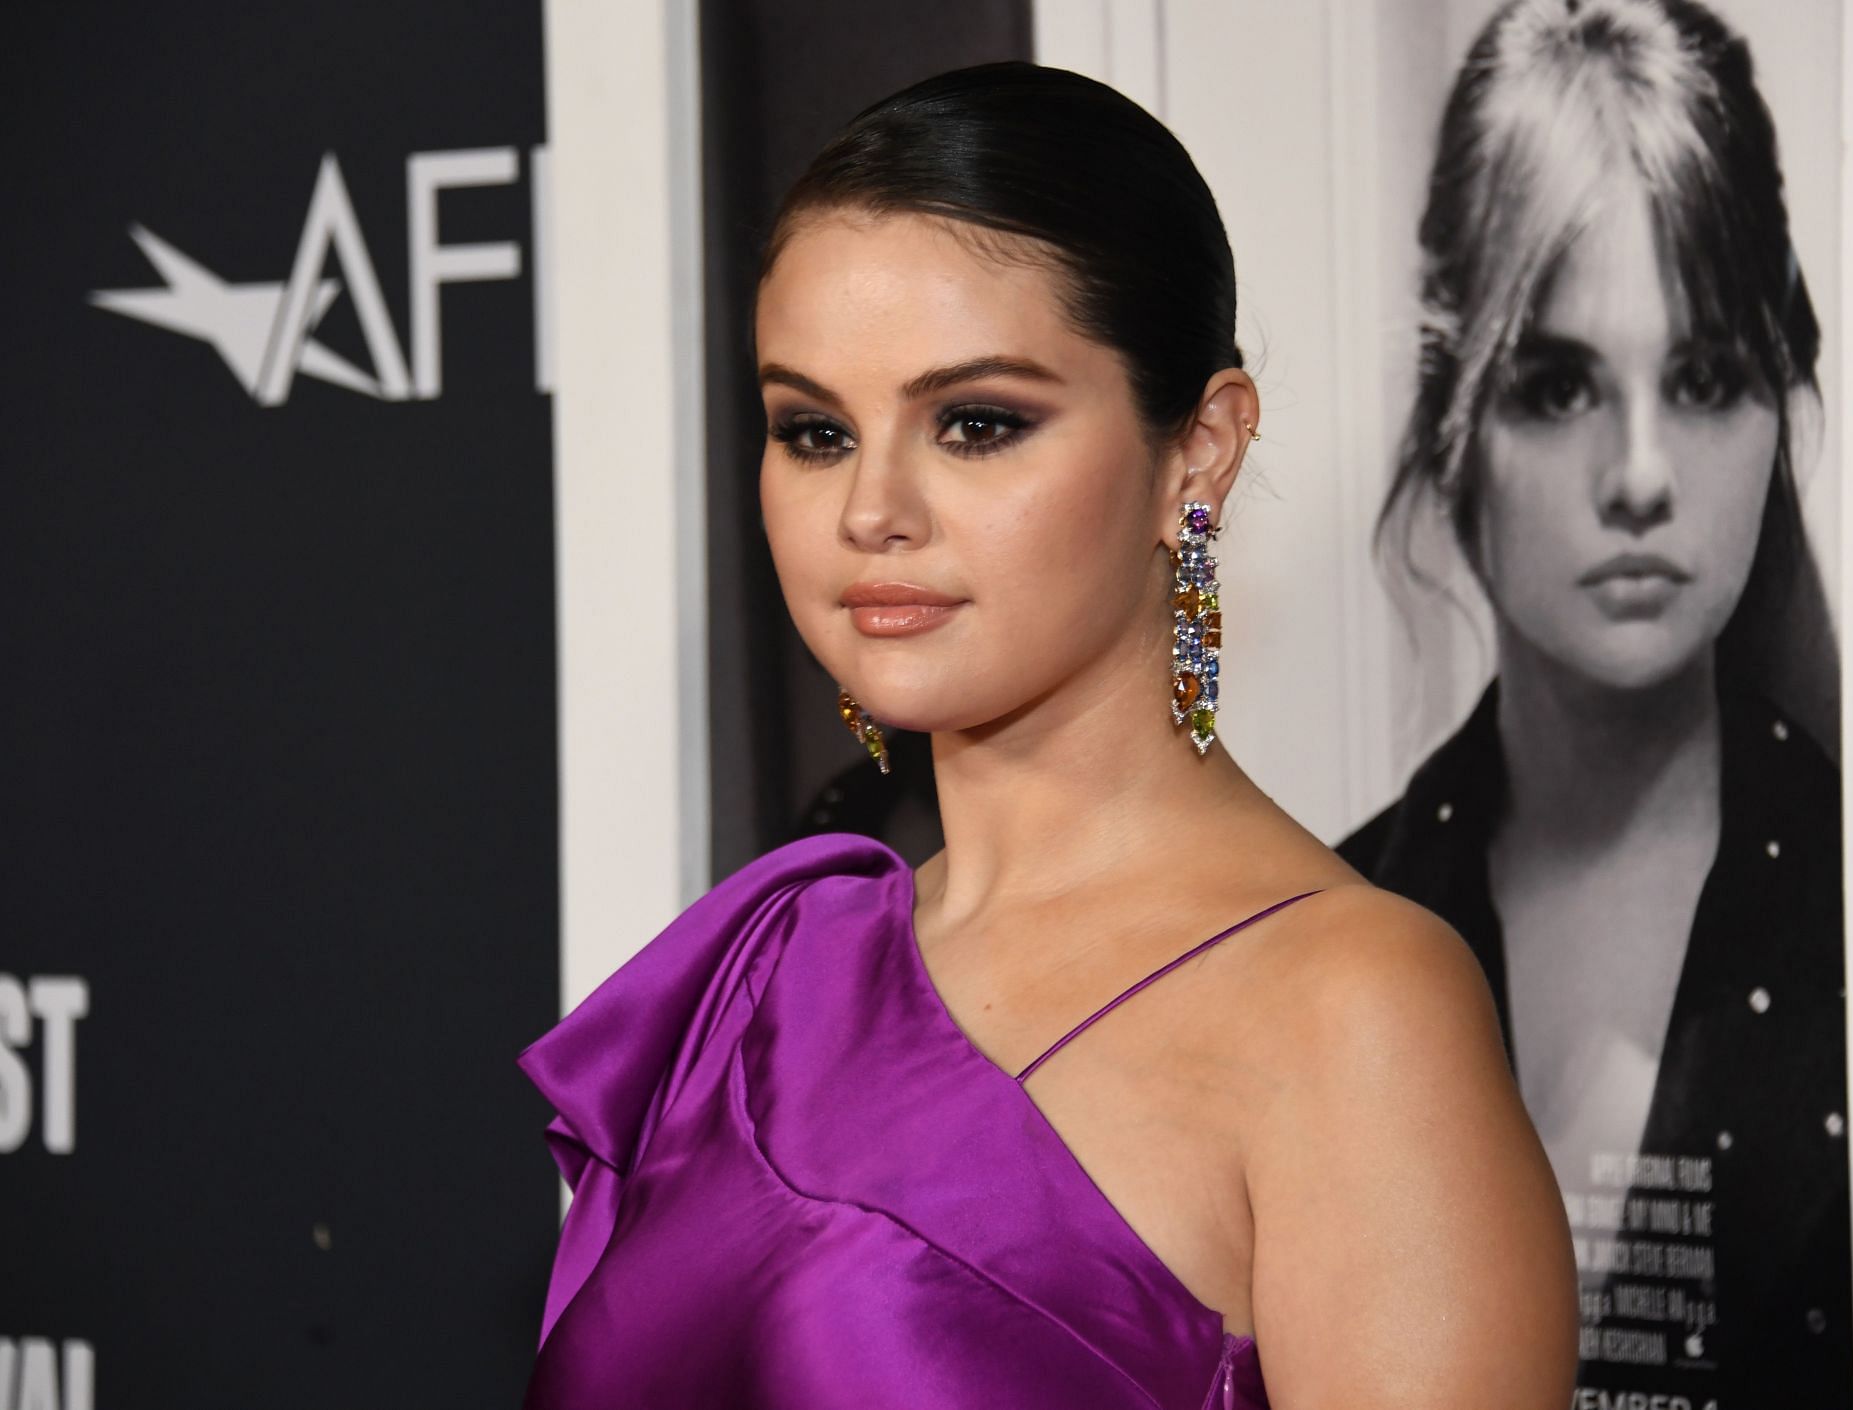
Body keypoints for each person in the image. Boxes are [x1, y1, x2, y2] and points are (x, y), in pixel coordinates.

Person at [519, 62, 1575, 1409]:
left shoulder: (1352, 1016)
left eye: (976, 423)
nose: (872, 509)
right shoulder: (771, 962)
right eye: (816, 430)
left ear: (1198, 450)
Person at [1338, 1, 1850, 1404]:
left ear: (1780, 411)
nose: (1640, 474)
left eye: (1702, 378)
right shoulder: (1332, 925)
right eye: (1558, 385)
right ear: (1453, 427)